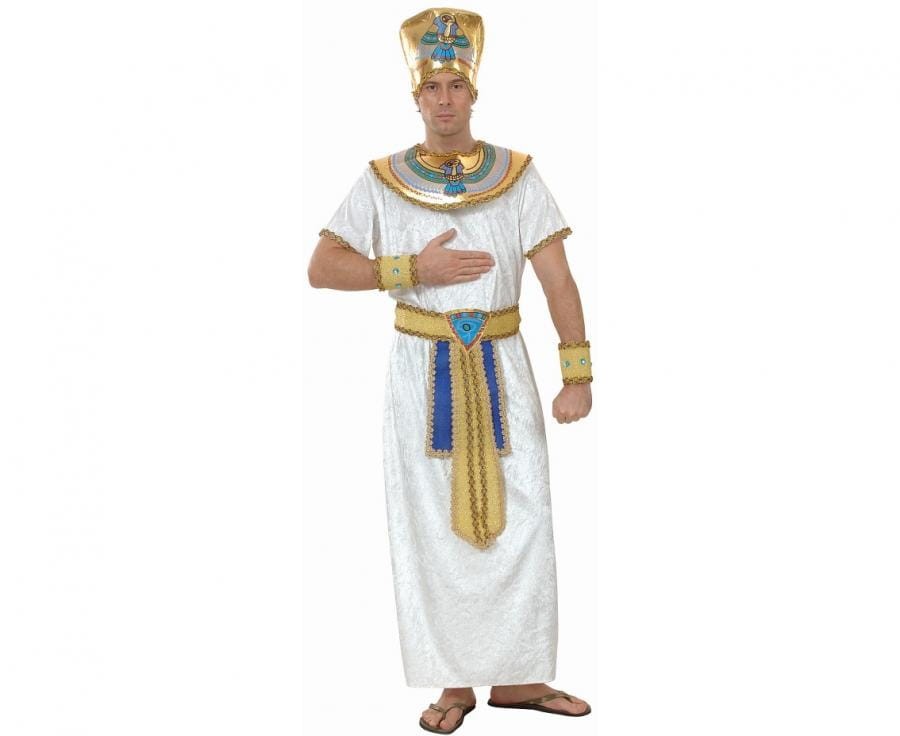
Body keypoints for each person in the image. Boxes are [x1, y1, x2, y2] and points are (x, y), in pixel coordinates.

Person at [307, 7, 593, 733]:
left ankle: (521, 678)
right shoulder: (382, 180)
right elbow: (323, 266)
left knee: (524, 516)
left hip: (503, 364)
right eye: (431, 87)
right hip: (421, 367)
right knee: (430, 525)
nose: (444, 99)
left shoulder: (519, 176)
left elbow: (558, 279)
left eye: (455, 86)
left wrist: (577, 373)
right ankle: (454, 684)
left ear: (473, 94)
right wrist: (410, 269)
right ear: (416, 97)